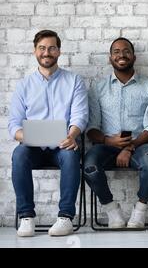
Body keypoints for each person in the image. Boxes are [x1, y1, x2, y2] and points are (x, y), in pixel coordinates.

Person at [8, 30, 88, 237]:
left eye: (52, 48)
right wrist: (26, 137)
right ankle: (26, 217)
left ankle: (65, 217)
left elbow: (79, 116)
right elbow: (14, 124)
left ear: (59, 51)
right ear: (35, 51)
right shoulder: (24, 85)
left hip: (62, 144)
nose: (47, 52)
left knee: (71, 155)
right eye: (42, 48)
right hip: (33, 145)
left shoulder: (74, 81)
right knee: (19, 154)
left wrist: (72, 135)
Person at [84, 37, 148, 228]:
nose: (121, 55)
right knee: (89, 165)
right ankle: (112, 210)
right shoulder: (98, 88)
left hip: (141, 145)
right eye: (116, 52)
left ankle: (140, 210)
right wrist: (109, 141)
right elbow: (91, 128)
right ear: (110, 58)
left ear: (133, 57)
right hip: (107, 146)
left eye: (126, 51)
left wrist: (130, 147)